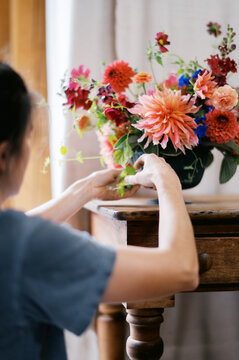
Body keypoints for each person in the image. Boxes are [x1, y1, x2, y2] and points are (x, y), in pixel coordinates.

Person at [0, 62, 199, 360]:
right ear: (4, 154)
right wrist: (167, 180)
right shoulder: (26, 246)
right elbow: (182, 269)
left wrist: (83, 191)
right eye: (28, 136)